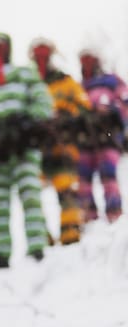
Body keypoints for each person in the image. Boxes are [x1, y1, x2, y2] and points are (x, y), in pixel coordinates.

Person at [0, 32, 53, 269]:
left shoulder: (24, 74)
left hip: (23, 146)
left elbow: (43, 102)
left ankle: (37, 246)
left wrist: (28, 123)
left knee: (30, 194)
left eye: (2, 45)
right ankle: (2, 253)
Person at [29, 38, 91, 244]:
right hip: (37, 146)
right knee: (33, 191)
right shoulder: (30, 83)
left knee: (66, 185)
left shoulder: (65, 81)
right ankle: (40, 234)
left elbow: (83, 106)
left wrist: (68, 114)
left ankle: (70, 228)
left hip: (63, 142)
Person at [78, 48, 127, 223]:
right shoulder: (80, 86)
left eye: (90, 59)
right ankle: (88, 216)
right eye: (84, 60)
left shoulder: (111, 81)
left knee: (108, 174)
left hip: (108, 137)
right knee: (83, 178)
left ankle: (114, 212)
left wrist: (111, 112)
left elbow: (124, 102)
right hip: (85, 139)